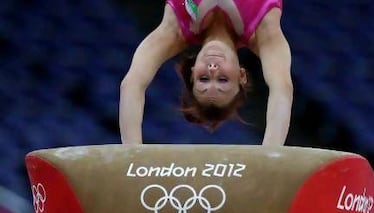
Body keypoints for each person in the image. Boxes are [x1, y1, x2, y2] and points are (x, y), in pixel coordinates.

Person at [119, 0, 293, 146]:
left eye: (203, 79)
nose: (212, 69)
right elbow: (282, 88)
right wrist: (269, 154)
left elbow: (132, 84)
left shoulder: (175, 29)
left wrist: (132, 155)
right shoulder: (264, 29)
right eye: (223, 79)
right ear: (242, 76)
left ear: (192, 72)